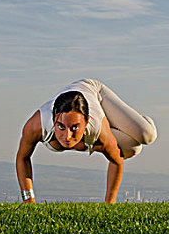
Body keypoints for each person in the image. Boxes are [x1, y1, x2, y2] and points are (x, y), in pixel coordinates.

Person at [16, 79, 157, 204]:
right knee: (132, 149)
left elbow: (116, 160)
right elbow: (22, 158)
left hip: (94, 92)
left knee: (147, 135)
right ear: (53, 119)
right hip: (85, 111)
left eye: (74, 128)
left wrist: (109, 205)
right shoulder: (35, 126)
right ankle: (118, 124)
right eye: (61, 127)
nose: (67, 136)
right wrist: (29, 200)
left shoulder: (97, 128)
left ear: (87, 122)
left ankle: (135, 120)